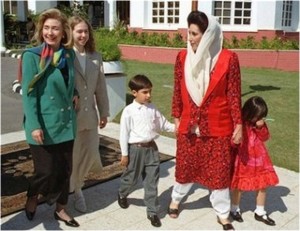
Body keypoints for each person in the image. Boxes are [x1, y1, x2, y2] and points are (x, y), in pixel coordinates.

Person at [168, 11, 243, 230]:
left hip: (219, 126)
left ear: (208, 34)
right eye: (188, 32)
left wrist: (238, 124)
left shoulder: (229, 58)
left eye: (194, 33)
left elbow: (233, 94)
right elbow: (177, 90)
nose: (189, 38)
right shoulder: (182, 57)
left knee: (219, 173)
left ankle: (222, 213)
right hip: (189, 124)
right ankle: (175, 199)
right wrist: (176, 117)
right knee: (185, 167)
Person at [21, 8, 79, 227]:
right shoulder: (32, 56)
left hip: (65, 123)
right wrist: (34, 125)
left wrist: (75, 93)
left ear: (63, 32)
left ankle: (61, 209)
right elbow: (29, 94)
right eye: (46, 28)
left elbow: (69, 83)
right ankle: (33, 196)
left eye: (55, 28)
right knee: (45, 171)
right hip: (42, 124)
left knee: (65, 170)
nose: (50, 32)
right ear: (41, 30)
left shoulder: (68, 55)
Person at [118, 74, 175, 227]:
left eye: (150, 91)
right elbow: (124, 133)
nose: (148, 95)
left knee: (151, 182)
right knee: (131, 178)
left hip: (151, 150)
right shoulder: (129, 111)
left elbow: (164, 125)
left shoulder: (153, 108)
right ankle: (123, 193)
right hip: (135, 150)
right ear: (134, 92)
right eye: (145, 92)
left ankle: (152, 211)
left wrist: (180, 128)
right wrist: (125, 154)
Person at [68, 16, 110, 213]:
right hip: (71, 117)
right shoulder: (65, 56)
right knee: (74, 155)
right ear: (71, 32)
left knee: (92, 152)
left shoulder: (95, 56)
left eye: (86, 31)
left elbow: (100, 88)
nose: (83, 35)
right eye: (79, 31)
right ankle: (77, 191)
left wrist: (104, 112)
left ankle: (76, 184)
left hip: (91, 116)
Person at [230, 96, 279, 226]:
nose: (259, 119)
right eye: (257, 116)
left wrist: (260, 127)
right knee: (239, 186)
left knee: (262, 185)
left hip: (260, 158)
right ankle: (234, 209)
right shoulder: (239, 123)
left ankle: (260, 211)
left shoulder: (259, 124)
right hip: (244, 159)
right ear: (249, 112)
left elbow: (265, 137)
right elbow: (233, 141)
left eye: (262, 116)